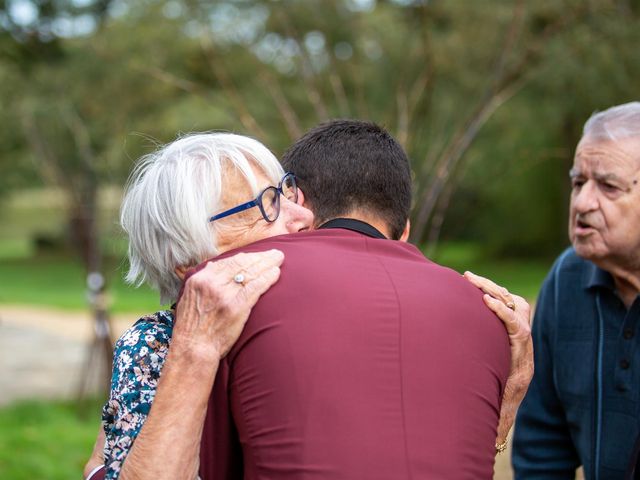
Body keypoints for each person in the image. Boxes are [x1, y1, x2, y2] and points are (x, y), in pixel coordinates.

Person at [85, 125, 533, 479]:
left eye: (284, 193)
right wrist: (197, 350)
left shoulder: (323, 319)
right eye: (266, 205)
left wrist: (507, 395)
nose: (303, 217)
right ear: (188, 259)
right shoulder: (156, 348)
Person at [512, 102, 640, 479]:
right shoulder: (567, 279)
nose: (583, 202)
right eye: (578, 182)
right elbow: (542, 445)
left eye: (608, 185)